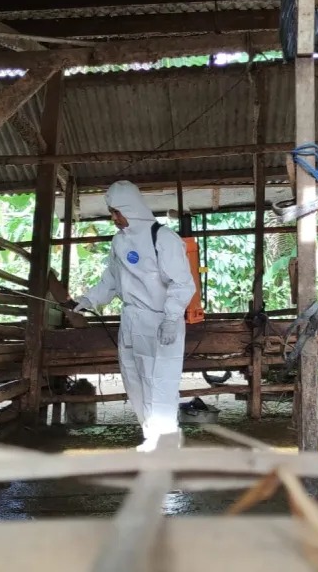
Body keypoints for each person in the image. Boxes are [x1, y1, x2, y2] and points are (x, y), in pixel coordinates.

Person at [73, 180, 196, 452]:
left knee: (160, 381)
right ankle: (151, 437)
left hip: (160, 321)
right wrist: (88, 299)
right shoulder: (119, 241)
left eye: (117, 211)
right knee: (135, 380)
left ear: (131, 208)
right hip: (131, 321)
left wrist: (171, 318)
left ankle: (165, 442)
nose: (113, 218)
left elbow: (182, 283)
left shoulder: (163, 238)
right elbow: (112, 281)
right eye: (112, 212)